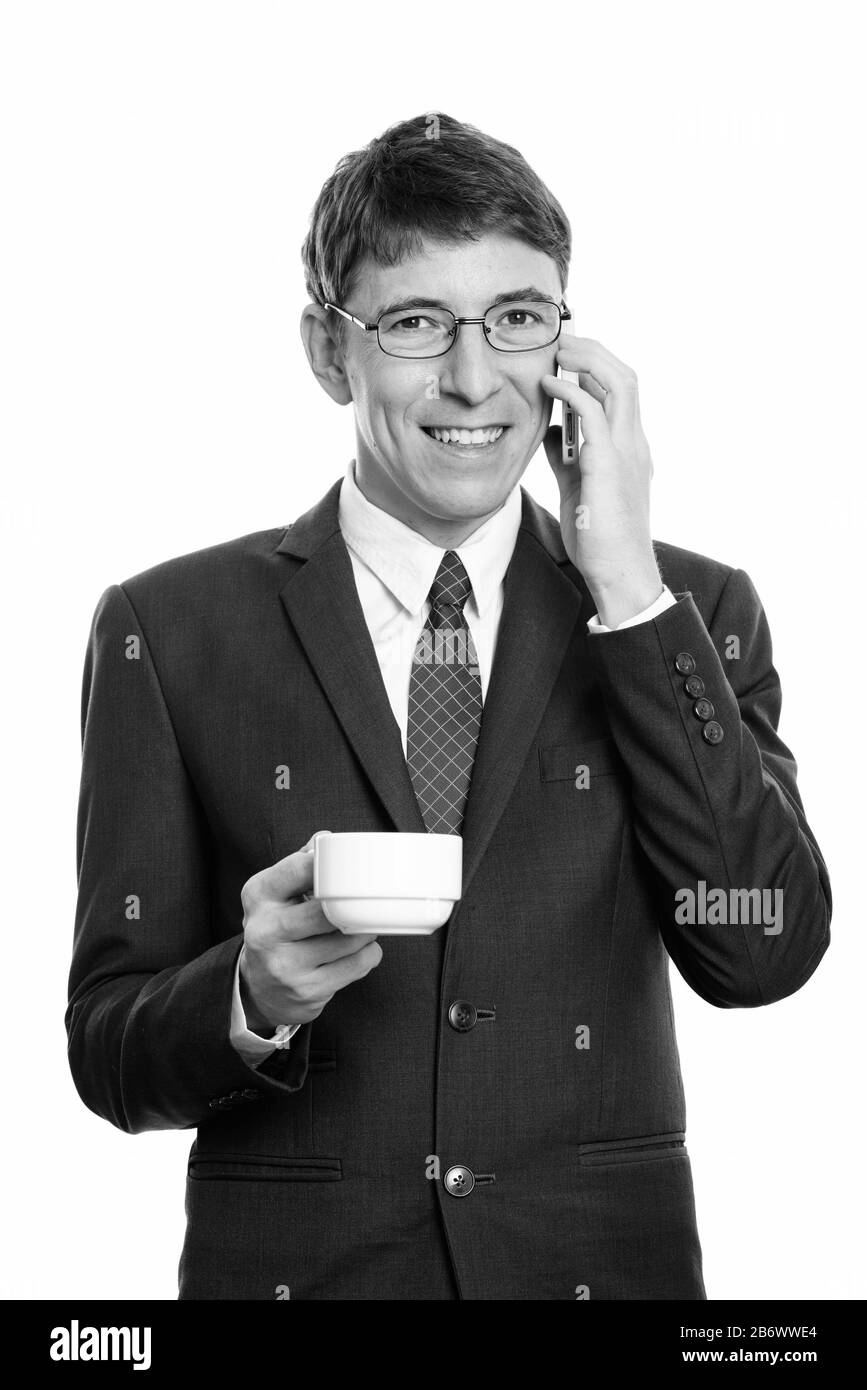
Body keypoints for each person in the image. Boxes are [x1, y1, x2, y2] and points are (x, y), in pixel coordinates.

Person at [66, 112, 831, 1301]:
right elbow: (109, 1053)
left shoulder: (689, 608)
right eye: (418, 323)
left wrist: (627, 588)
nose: (475, 379)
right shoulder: (167, 630)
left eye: (518, 319)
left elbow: (763, 943)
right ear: (331, 351)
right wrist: (249, 993)